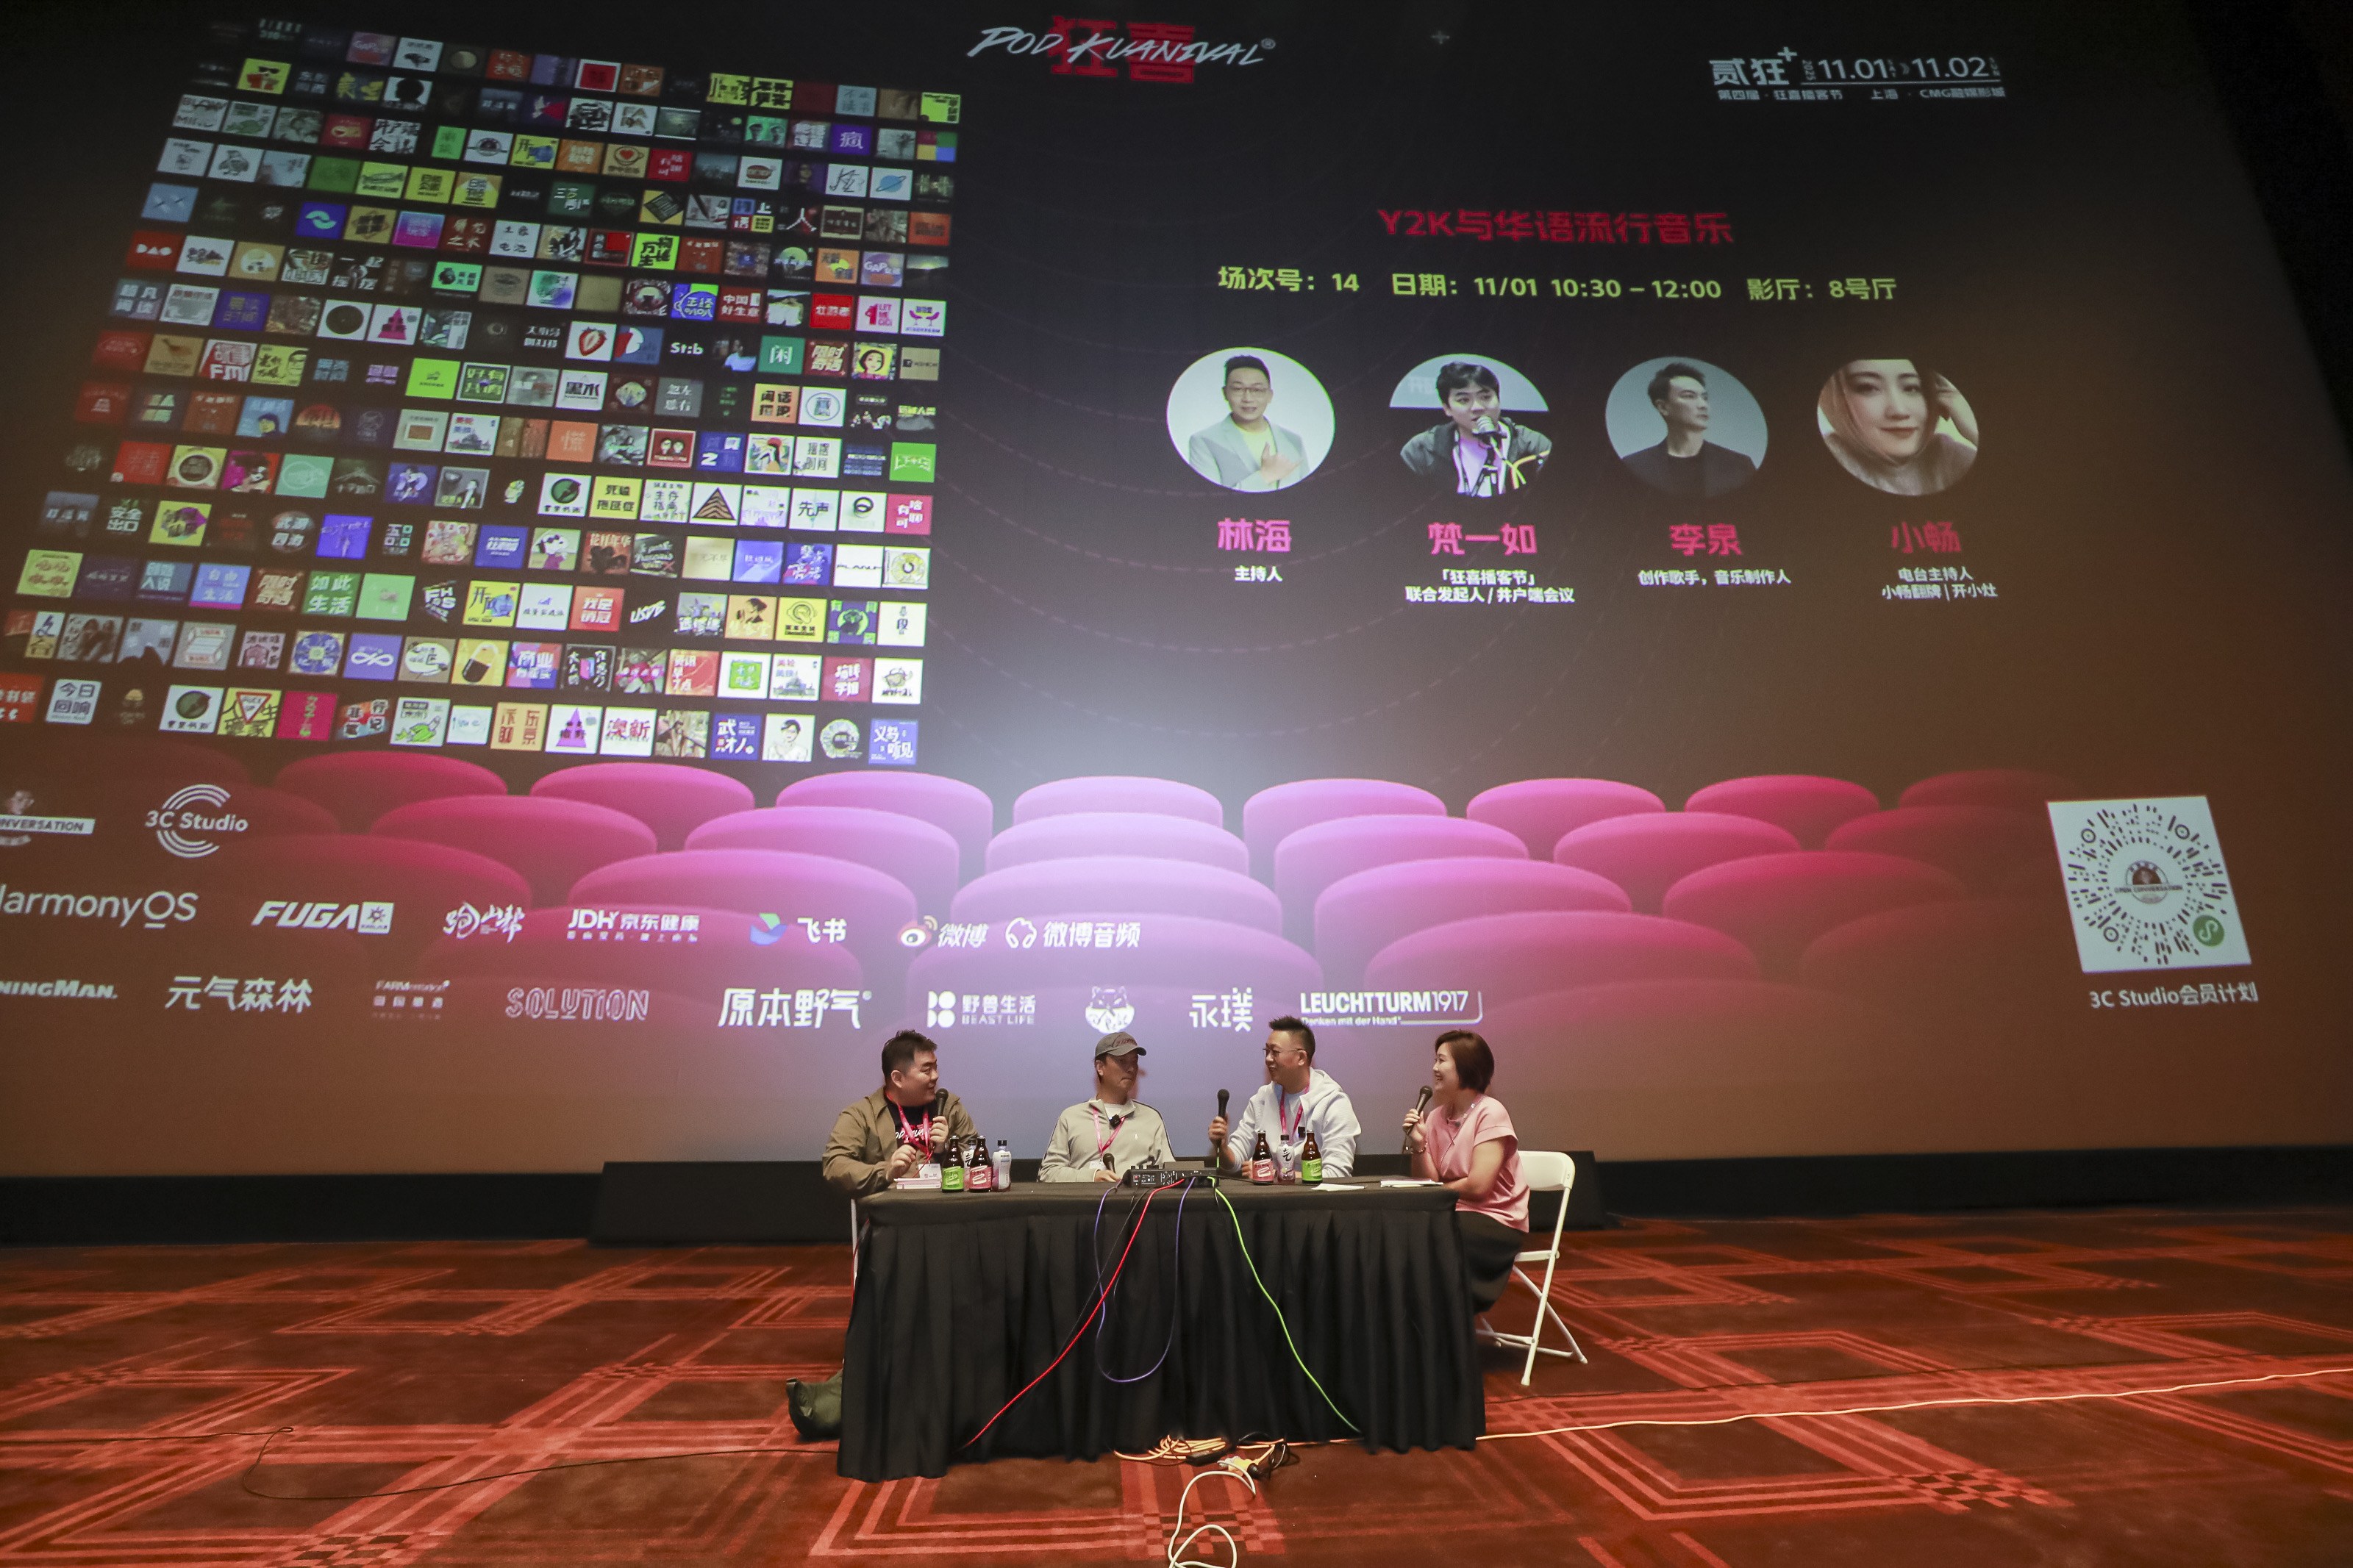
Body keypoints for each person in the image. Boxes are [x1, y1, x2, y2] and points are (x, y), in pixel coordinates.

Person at [1402, 1029, 1527, 1311]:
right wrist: (1419, 1145)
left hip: (1494, 1220)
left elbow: (1478, 1186)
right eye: (1435, 1060)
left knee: (1434, 1238)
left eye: (1442, 1060)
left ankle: (1446, 1322)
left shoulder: (1490, 1112)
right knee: (1406, 1233)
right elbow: (1428, 1183)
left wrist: (1438, 1194)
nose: (1435, 1068)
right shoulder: (1436, 1115)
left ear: (1465, 1066)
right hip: (1453, 1213)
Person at [821, 1029, 976, 1196]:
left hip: (944, 1204)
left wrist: (946, 1149)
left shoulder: (949, 1107)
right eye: (927, 1070)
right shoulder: (861, 1116)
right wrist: (886, 1171)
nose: (935, 1076)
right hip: (893, 1207)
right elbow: (835, 1166)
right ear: (898, 1078)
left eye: (935, 1068)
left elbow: (976, 1159)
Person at [1209, 1015, 1360, 1178]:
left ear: (1301, 1058)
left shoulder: (1333, 1102)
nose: (1268, 1059)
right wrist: (1222, 1147)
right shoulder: (1262, 1099)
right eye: (1267, 1051)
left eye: (1275, 1052)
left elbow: (1338, 1174)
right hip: (1269, 1195)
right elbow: (1234, 1163)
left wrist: (1274, 1174)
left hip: (1315, 1195)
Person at [1817, 357, 1978, 495]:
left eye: (1911, 388)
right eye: (1868, 388)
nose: (1899, 411)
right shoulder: (1822, 466)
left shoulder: (1948, 456)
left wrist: (1975, 430)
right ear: (1837, 399)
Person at [1038, 1031, 1176, 1181]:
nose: (1131, 1069)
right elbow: (1047, 1174)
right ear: (1100, 1067)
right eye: (1122, 1061)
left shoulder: (1151, 1118)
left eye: (1134, 1062)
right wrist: (1091, 1177)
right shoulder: (1071, 1117)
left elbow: (1171, 1176)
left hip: (1136, 1197)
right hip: (1086, 1197)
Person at [1400, 361, 1551, 495]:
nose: (1477, 407)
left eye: (1486, 397)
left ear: (1498, 400)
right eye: (1463, 400)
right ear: (1447, 408)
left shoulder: (1533, 445)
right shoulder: (1422, 449)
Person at [1619, 362, 1758, 498]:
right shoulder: (1634, 466)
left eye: (1705, 397)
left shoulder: (1740, 465)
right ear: (1663, 407)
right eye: (1689, 396)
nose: (1703, 405)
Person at [1185, 355, 1308, 491]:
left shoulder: (1293, 441)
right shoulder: (1204, 441)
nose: (1248, 399)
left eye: (1257, 390)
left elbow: (1307, 495)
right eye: (1238, 389)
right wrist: (1265, 476)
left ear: (1270, 395)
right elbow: (1209, 498)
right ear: (1225, 393)